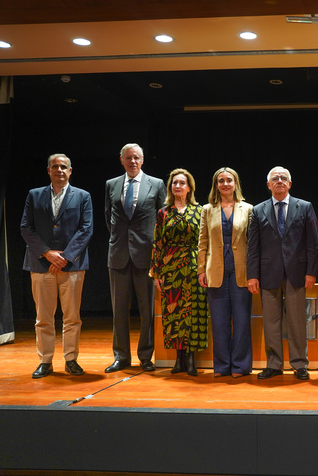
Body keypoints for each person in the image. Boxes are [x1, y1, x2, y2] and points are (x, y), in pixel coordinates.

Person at [21, 154, 93, 378]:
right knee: (43, 318)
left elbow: (86, 229)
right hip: (41, 265)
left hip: (72, 266)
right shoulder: (34, 195)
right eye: (55, 166)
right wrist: (47, 253)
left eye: (63, 167)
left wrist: (66, 257)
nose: (59, 170)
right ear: (48, 170)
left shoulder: (83, 196)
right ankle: (45, 361)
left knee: (72, 317)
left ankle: (71, 359)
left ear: (70, 171)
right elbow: (26, 227)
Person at [247, 166, 318, 380]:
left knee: (297, 320)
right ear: (268, 185)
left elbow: (312, 243)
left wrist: (311, 272)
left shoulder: (304, 207)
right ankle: (274, 364)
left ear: (290, 183)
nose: (279, 181)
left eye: (283, 178)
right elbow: (253, 246)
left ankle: (299, 364)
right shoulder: (258, 210)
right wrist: (252, 274)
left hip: (297, 272)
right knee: (271, 321)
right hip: (268, 272)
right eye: (275, 178)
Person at [105, 143, 166, 373]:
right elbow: (107, 217)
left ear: (142, 160)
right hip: (118, 255)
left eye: (136, 158)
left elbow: (162, 218)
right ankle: (121, 357)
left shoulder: (157, 184)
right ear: (121, 160)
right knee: (118, 309)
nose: (132, 161)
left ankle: (145, 356)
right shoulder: (111, 184)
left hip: (146, 256)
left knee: (146, 309)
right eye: (128, 158)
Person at [150, 168, 208, 376]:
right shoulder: (163, 212)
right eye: (174, 183)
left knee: (192, 313)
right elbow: (157, 243)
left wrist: (204, 268)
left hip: (193, 267)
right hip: (170, 267)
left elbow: (204, 242)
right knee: (173, 314)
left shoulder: (200, 211)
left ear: (189, 187)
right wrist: (156, 273)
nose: (177, 186)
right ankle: (178, 359)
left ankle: (191, 360)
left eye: (182, 183)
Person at [198, 168, 253, 378]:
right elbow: (202, 242)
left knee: (241, 321)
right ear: (216, 185)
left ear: (236, 184)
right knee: (219, 322)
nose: (225, 184)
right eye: (221, 181)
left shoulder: (248, 209)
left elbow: (253, 244)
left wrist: (254, 273)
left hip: (241, 272)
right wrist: (201, 269)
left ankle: (240, 366)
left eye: (229, 180)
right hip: (215, 272)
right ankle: (221, 366)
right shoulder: (207, 210)